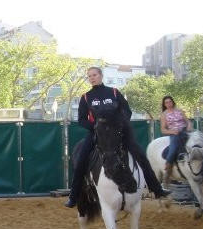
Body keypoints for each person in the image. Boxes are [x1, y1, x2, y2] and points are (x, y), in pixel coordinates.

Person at [64, 67, 170, 208]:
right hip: (97, 134)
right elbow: (82, 119)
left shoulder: (113, 92)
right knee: (81, 160)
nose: (92, 78)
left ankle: (156, 189)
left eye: (94, 75)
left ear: (101, 75)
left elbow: (127, 111)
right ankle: (74, 195)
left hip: (119, 134)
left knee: (141, 156)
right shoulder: (85, 97)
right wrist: (96, 128)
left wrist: (120, 125)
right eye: (89, 76)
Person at [160, 95, 193, 184]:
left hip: (185, 132)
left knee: (197, 143)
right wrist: (172, 131)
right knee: (173, 150)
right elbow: (163, 130)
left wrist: (189, 127)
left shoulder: (180, 111)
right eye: (166, 102)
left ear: (173, 102)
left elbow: (188, 121)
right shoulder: (164, 115)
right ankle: (167, 173)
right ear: (164, 104)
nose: (169, 104)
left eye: (170, 102)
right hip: (174, 134)